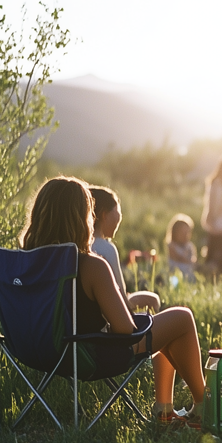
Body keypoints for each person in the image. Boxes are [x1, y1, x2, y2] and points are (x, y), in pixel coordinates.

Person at [22, 177, 205, 427]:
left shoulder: (25, 264)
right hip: (90, 355)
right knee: (181, 318)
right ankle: (203, 404)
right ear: (83, 217)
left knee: (162, 326)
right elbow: (124, 329)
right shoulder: (92, 265)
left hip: (38, 352)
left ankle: (165, 410)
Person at [88, 186, 161, 314]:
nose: (120, 218)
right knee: (179, 315)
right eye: (118, 213)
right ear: (104, 215)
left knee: (151, 300)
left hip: (90, 320)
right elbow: (122, 302)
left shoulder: (78, 246)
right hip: (111, 325)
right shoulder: (107, 249)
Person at [165, 213, 197, 282]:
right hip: (175, 273)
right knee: (174, 279)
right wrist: (187, 260)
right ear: (174, 233)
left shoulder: (190, 246)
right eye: (182, 233)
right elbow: (177, 257)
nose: (185, 235)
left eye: (187, 233)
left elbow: (193, 259)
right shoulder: (172, 246)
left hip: (188, 273)